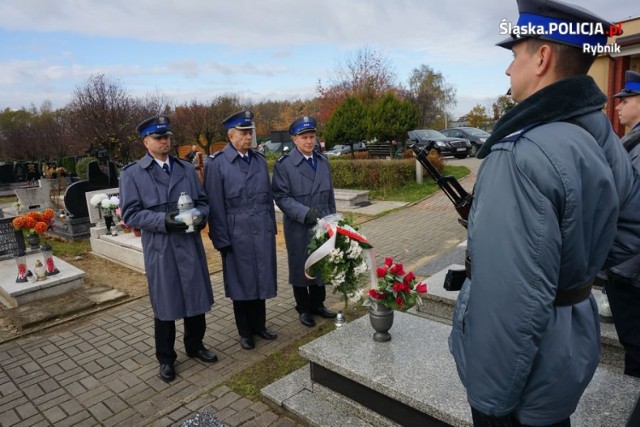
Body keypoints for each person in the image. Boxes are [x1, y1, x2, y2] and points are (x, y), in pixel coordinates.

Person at [448, 1, 640, 426]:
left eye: (514, 54)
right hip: (567, 350)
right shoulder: (601, 135)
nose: (507, 70)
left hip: (519, 381)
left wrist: (491, 403)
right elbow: (629, 233)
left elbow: (509, 301)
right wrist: (578, 271)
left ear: (542, 57)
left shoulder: (519, 154)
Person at [119, 115, 217, 383]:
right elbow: (131, 214)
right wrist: (164, 220)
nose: (165, 141)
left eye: (167, 137)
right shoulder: (133, 174)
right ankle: (165, 358)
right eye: (159, 138)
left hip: (188, 243)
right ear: (146, 142)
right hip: (161, 247)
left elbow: (203, 201)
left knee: (195, 299)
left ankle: (195, 345)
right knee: (165, 303)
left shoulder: (185, 169)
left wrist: (201, 216)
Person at [203, 110, 278, 350]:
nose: (248, 137)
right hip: (237, 233)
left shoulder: (257, 160)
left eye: (250, 132)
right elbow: (214, 205)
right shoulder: (217, 164)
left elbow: (267, 198)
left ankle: (260, 326)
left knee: (261, 279)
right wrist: (221, 238)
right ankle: (245, 332)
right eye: (244, 133)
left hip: (260, 229)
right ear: (230, 135)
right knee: (241, 283)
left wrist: (271, 227)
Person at [272, 115, 337, 327]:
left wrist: (333, 221)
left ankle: (318, 303)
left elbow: (330, 195)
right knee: (301, 266)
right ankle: (303, 308)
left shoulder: (322, 161)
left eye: (312, 137)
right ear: (294, 140)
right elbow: (281, 197)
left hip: (322, 221)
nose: (309, 141)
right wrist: (302, 213)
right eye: (304, 137)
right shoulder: (285, 165)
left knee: (321, 262)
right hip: (299, 224)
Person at [605, 70, 640, 377]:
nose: (617, 106)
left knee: (637, 349)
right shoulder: (631, 142)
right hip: (626, 266)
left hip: (631, 270)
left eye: (626, 100)